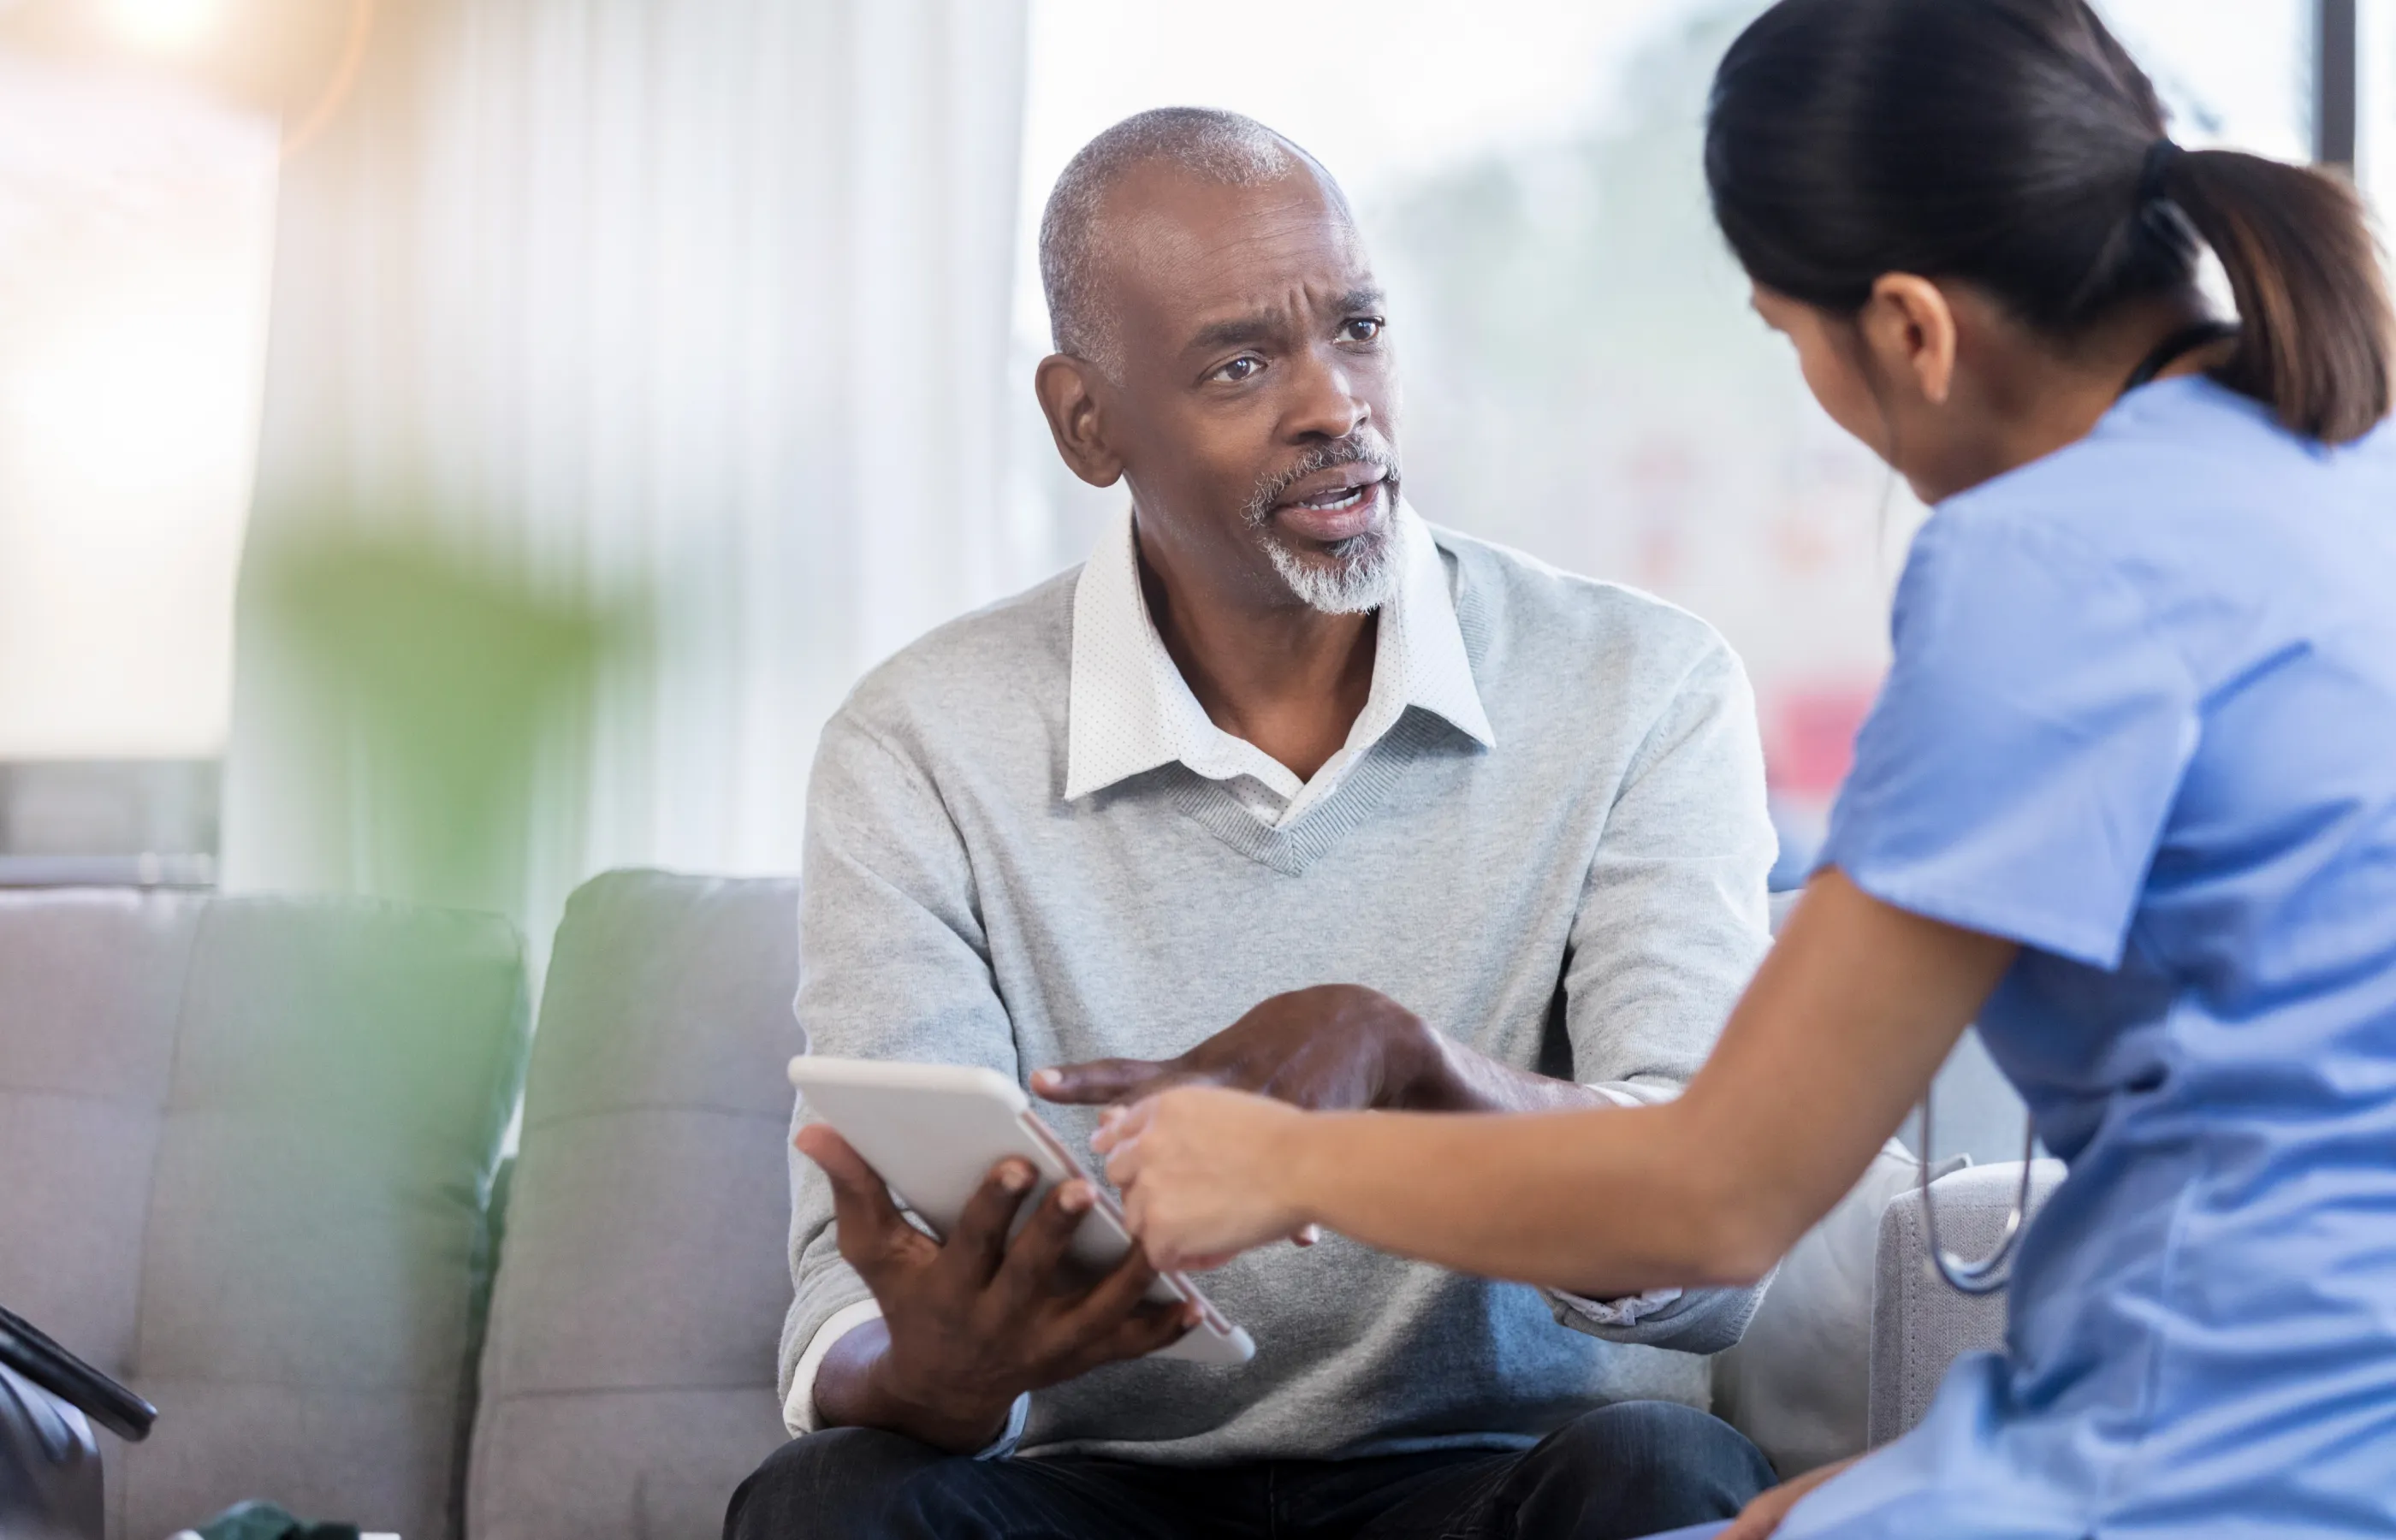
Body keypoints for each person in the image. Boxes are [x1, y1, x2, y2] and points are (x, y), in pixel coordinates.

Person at [1093, 4, 2396, 1539]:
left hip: (2240, 1463)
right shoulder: (2333, 466)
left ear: (1912, 328)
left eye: (1795, 344)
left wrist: (1282, 1164)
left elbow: (1720, 1198)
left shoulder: (2046, 567)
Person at [721, 108, 1784, 1539]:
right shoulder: (918, 744)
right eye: (1241, 363)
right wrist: (932, 1372)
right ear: (1085, 423)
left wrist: (1425, 1076)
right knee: (827, 1505)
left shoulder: (1642, 686)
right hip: (1092, 1497)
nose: (1335, 404)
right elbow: (854, 1310)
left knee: (1665, 1478)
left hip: (1492, 1481)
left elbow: (1715, 1251)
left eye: (1357, 329)